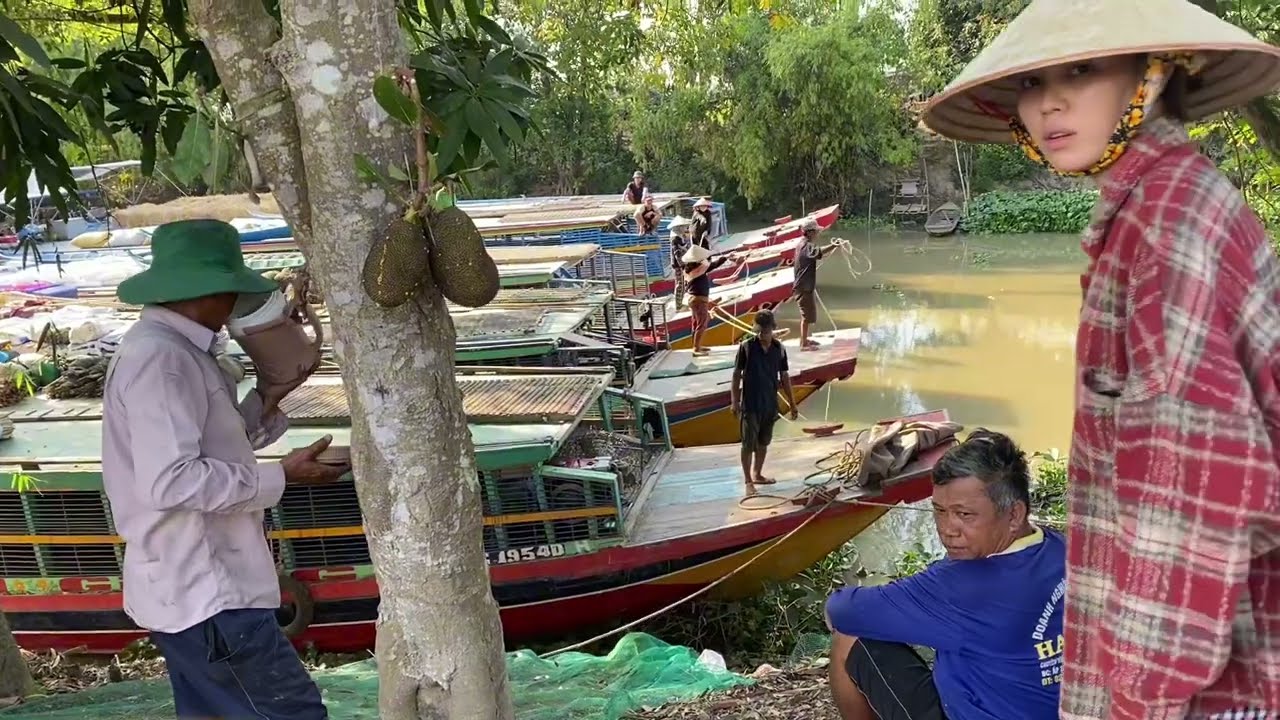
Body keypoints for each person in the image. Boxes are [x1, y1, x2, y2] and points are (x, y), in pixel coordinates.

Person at [922, 1, 1280, 717]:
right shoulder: (1155, 206)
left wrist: (1143, 696)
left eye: (1081, 70)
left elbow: (1193, 497)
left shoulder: (1167, 223)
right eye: (1032, 82)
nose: (1048, 102)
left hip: (1214, 683)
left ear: (1153, 74)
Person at [103, 219, 347, 719]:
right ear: (212, 290)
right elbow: (171, 481)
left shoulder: (175, 349)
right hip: (208, 590)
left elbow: (213, 442)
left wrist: (270, 394)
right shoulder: (161, 360)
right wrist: (280, 476)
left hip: (194, 589)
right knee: (293, 713)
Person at [825, 429, 1066, 720]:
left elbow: (841, 610)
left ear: (1014, 514)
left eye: (964, 515)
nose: (947, 529)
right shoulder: (1063, 549)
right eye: (939, 510)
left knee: (849, 638)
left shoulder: (961, 587)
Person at [730, 309, 796, 496]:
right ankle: (748, 481)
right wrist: (734, 401)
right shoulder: (746, 347)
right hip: (750, 405)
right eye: (759, 331)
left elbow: (784, 376)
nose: (762, 335)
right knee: (747, 444)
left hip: (770, 404)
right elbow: (736, 375)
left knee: (763, 442)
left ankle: (758, 474)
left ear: (772, 330)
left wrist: (792, 403)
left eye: (765, 332)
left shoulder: (779, 349)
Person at [681, 243, 738, 356]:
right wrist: (726, 257)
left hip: (695, 299)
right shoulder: (698, 269)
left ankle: (696, 346)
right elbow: (713, 265)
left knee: (696, 323)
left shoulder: (690, 268)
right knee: (701, 324)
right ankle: (696, 348)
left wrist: (726, 257)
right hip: (698, 300)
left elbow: (711, 265)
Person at [791, 218, 839, 351]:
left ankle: (804, 339)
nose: (818, 233)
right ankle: (803, 345)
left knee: (806, 315)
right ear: (810, 232)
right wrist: (834, 245)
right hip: (803, 287)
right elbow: (819, 252)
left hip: (802, 286)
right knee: (807, 317)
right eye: (816, 231)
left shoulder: (802, 244)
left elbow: (816, 253)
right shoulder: (807, 246)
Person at [667, 215, 693, 308]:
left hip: (681, 263)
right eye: (683, 226)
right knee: (680, 284)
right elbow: (677, 254)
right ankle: (678, 305)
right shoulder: (675, 238)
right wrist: (683, 265)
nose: (685, 228)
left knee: (681, 283)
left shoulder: (679, 236)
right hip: (678, 265)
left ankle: (679, 303)